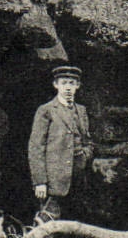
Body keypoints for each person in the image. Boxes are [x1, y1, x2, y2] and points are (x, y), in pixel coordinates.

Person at [28, 65, 93, 222]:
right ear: (56, 85)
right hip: (54, 181)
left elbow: (88, 141)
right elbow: (36, 148)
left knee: (74, 222)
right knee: (47, 221)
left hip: (77, 178)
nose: (68, 88)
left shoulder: (81, 111)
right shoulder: (46, 110)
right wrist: (40, 181)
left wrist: (85, 156)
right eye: (64, 83)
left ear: (78, 86)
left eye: (72, 83)